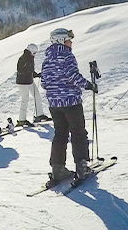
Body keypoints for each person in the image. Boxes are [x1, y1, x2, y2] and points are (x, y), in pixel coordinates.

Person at [40, 28, 96, 183]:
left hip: (54, 104)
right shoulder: (66, 56)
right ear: (61, 40)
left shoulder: (47, 60)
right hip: (71, 102)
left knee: (60, 134)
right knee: (78, 133)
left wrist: (55, 89)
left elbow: (43, 83)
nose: (71, 43)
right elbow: (73, 76)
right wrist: (88, 85)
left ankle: (57, 169)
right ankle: (82, 166)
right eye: (68, 40)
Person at [15, 44, 47, 127]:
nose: (35, 54)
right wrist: (29, 72)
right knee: (25, 99)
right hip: (22, 83)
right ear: (30, 51)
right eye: (34, 53)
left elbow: (30, 70)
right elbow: (20, 70)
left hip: (29, 81)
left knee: (37, 96)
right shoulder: (22, 59)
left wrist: (35, 75)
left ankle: (39, 115)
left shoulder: (30, 58)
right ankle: (22, 120)